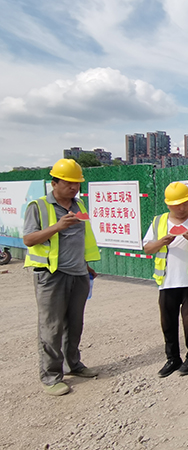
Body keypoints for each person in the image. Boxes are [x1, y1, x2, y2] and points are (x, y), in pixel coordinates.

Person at [23, 158, 100, 396]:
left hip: (78, 274)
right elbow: (28, 239)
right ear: (54, 183)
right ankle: (50, 376)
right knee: (52, 327)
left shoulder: (80, 205)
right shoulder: (38, 206)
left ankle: (73, 365)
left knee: (75, 325)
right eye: (68, 183)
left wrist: (86, 265)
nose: (74, 187)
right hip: (51, 276)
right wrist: (57, 226)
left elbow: (80, 239)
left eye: (77, 183)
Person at [142, 182, 188, 378]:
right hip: (167, 282)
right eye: (177, 205)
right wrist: (161, 242)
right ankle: (172, 358)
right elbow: (147, 248)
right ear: (168, 204)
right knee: (167, 322)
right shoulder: (159, 221)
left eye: (185, 203)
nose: (182, 208)